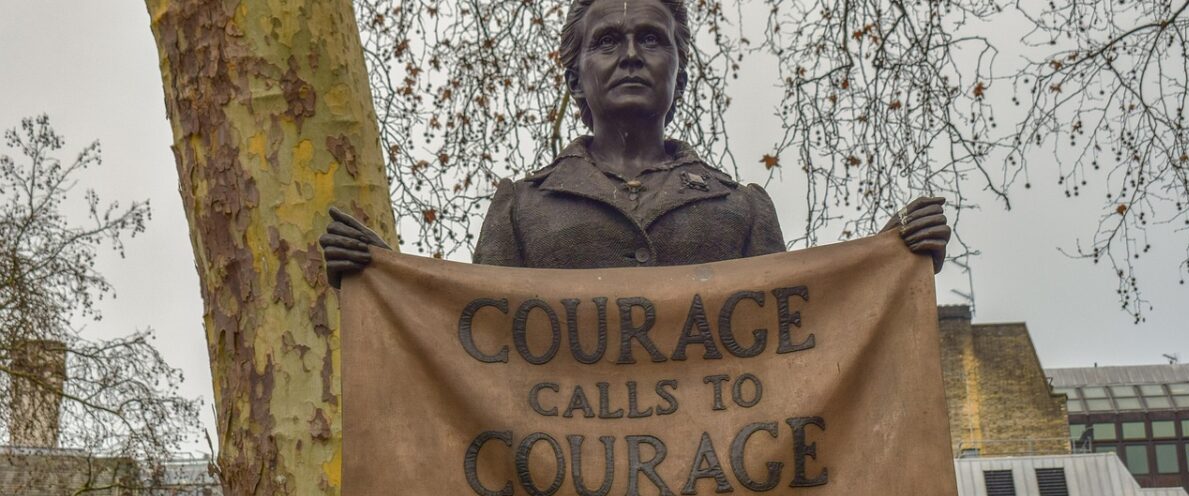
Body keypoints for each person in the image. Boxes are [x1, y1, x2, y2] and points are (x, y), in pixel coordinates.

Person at [321, 0, 949, 286]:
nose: (629, 56)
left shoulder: (743, 209)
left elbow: (799, 338)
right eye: (606, 42)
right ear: (577, 74)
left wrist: (887, 262)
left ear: (679, 69)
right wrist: (388, 281)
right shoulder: (520, 209)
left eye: (651, 39)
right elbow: (473, 343)